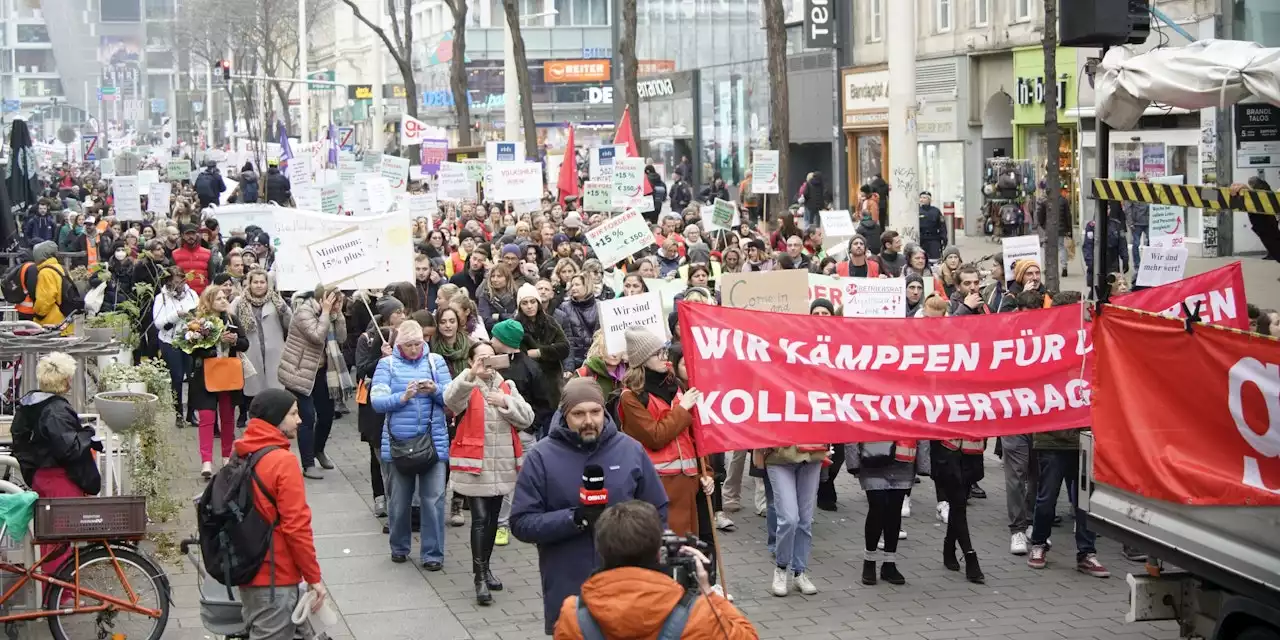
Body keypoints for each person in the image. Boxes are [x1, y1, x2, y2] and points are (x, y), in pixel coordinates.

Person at [509, 378, 669, 635]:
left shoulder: (630, 450)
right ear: (564, 414)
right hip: (569, 583)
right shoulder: (541, 457)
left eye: (595, 412)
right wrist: (576, 519)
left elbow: (658, 510)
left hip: (628, 584)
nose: (588, 420)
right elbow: (521, 522)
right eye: (578, 414)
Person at [555, 500, 759, 639]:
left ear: (601, 550)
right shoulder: (697, 614)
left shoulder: (574, 615)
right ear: (657, 551)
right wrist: (708, 593)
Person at [232, 389, 329, 640]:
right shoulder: (282, 461)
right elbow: (296, 526)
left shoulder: (240, 452)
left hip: (249, 573)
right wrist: (314, 577)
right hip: (276, 578)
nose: (299, 420)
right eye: (293, 413)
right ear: (275, 417)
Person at [445, 341, 534, 604]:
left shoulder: (507, 385)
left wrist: (504, 401)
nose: (486, 362)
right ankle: (479, 577)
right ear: (471, 360)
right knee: (481, 519)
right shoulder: (467, 383)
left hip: (502, 463)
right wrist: (470, 374)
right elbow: (450, 400)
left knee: (493, 520)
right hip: (476, 464)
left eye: (490, 357)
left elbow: (527, 418)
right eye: (480, 358)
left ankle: (486, 567)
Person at [372, 320, 453, 568]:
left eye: (418, 344)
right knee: (398, 502)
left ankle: (433, 554)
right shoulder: (387, 364)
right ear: (399, 345)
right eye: (409, 345)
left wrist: (435, 390)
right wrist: (402, 397)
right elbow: (377, 401)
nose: (415, 349)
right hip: (398, 444)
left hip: (433, 442)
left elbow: (452, 397)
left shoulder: (435, 362)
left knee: (434, 501)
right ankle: (399, 546)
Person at [617, 327, 707, 541]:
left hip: (688, 481)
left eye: (664, 351)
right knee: (665, 546)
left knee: (689, 547)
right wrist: (682, 409)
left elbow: (695, 434)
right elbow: (655, 437)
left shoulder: (675, 384)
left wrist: (707, 472)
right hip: (658, 482)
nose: (664, 357)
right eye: (658, 353)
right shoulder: (630, 397)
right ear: (642, 358)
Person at [278, 286, 348, 479]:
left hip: (323, 373)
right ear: (324, 299)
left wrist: (338, 314)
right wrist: (326, 312)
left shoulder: (331, 314)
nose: (337, 305)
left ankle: (319, 449)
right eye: (335, 300)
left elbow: (341, 337)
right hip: (300, 372)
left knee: (326, 415)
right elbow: (317, 336)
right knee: (307, 418)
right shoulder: (304, 312)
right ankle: (308, 464)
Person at [13, 352, 103, 499]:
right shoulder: (56, 411)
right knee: (67, 521)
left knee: (46, 520)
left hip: (39, 478)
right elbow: (69, 449)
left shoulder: (28, 406)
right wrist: (88, 434)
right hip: (61, 480)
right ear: (67, 380)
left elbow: (19, 442)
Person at [846, 439, 929, 586]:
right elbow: (854, 420)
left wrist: (923, 463)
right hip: (873, 458)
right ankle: (869, 561)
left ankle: (889, 563)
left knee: (894, 511)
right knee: (877, 508)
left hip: (903, 462)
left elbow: (921, 424)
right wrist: (853, 461)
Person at [190, 286, 250, 478]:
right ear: (208, 302)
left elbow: (245, 343)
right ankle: (206, 461)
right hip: (205, 375)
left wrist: (233, 341)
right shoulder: (200, 322)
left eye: (225, 298)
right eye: (219, 299)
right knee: (207, 418)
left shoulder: (232, 319)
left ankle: (226, 457)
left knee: (227, 417)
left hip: (228, 374)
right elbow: (193, 349)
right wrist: (215, 339)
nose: (224, 301)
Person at [356, 296, 406, 520]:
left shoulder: (406, 336)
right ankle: (381, 497)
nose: (402, 316)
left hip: (398, 405)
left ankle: (397, 497)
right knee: (378, 453)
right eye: (398, 312)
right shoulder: (368, 338)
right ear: (387, 315)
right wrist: (381, 358)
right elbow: (362, 370)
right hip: (373, 407)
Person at [231, 269, 292, 428]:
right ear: (249, 284)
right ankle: (254, 422)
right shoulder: (239, 302)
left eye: (262, 282)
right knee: (252, 389)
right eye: (255, 282)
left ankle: (276, 422)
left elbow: (289, 324)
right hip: (251, 351)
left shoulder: (277, 301)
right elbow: (231, 322)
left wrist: (286, 311)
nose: (259, 285)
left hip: (274, 351)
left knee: (275, 389)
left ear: (267, 284)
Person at [930, 437, 986, 583]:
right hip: (947, 450)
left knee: (958, 504)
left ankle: (949, 547)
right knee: (959, 503)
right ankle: (969, 555)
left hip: (971, 448)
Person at [153, 267, 199, 424]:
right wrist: (176, 315)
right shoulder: (162, 298)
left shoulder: (192, 294)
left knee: (193, 377)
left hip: (190, 340)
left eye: (181, 281)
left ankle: (191, 413)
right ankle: (178, 413)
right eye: (174, 282)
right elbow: (158, 323)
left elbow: (200, 313)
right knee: (177, 377)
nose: (178, 285)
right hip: (170, 341)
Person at [554, 274, 599, 374]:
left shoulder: (599, 306)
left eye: (577, 285)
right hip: (572, 359)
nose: (573, 288)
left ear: (586, 285)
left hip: (593, 358)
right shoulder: (564, 306)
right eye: (572, 285)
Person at [30, 240, 70, 333]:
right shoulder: (60, 268)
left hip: (51, 323)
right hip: (64, 320)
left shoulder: (45, 272)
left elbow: (45, 299)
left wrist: (37, 314)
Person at [173, 223, 214, 295]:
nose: (191, 236)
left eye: (193, 233)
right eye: (188, 234)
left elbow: (211, 276)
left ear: (197, 235)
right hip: (183, 296)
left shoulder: (207, 253)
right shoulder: (175, 254)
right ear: (182, 235)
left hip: (202, 296)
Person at [918, 191, 946, 260]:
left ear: (929, 200)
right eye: (921, 198)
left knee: (935, 259)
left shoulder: (936, 211)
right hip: (921, 239)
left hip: (934, 238)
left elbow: (942, 225)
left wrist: (944, 237)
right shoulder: (917, 211)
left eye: (924, 198)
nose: (922, 199)